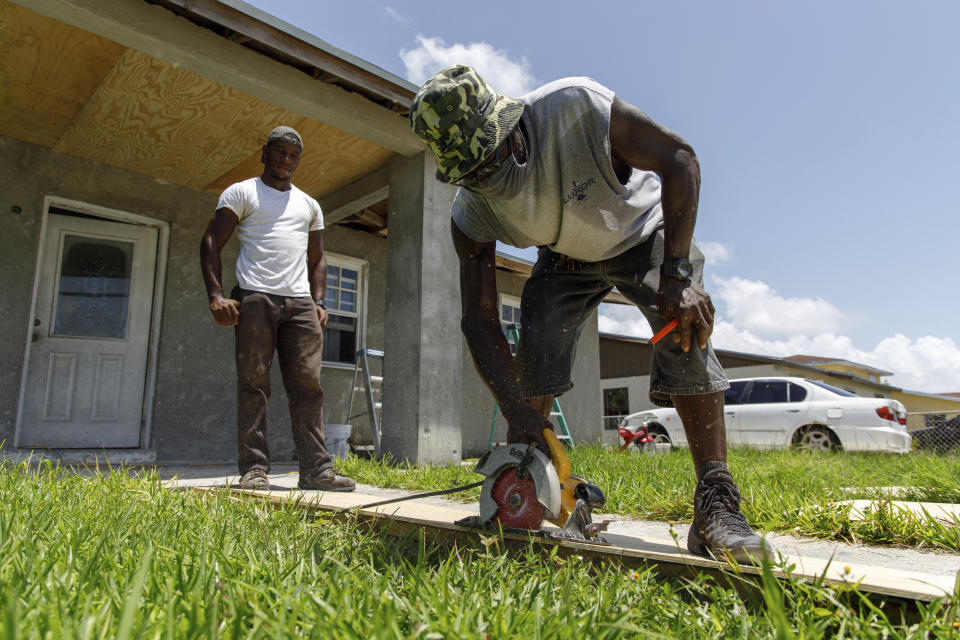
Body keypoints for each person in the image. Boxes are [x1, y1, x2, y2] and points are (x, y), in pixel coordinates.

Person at [409, 65, 771, 561]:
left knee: (682, 330)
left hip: (640, 232)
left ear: (510, 125)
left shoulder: (574, 107)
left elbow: (679, 158)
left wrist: (679, 275)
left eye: (491, 161)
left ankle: (716, 503)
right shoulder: (470, 214)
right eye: (472, 173)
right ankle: (533, 490)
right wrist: (516, 410)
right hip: (564, 255)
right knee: (536, 339)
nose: (487, 180)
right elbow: (480, 319)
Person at [200, 126, 356, 492]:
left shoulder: (309, 205)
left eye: (293, 154)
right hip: (255, 298)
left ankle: (316, 471)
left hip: (300, 305)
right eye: (280, 151)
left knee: (308, 386)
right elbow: (210, 241)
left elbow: (318, 259)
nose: (286, 159)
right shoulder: (242, 192)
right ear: (265, 153)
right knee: (254, 383)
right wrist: (216, 295)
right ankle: (254, 469)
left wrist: (318, 302)